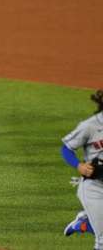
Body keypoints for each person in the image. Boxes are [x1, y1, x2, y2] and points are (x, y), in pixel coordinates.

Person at [60, 89, 103, 249]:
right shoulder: (89, 126)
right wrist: (79, 165)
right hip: (94, 188)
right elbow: (66, 148)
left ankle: (85, 222)